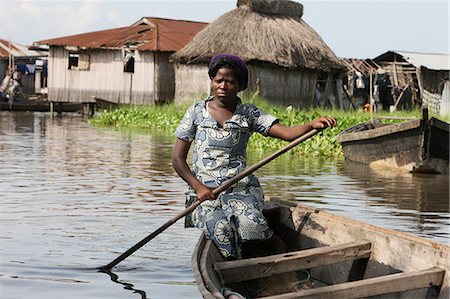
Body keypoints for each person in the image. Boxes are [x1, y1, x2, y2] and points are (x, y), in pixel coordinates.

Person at [172, 54, 336, 260]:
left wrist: (311, 125)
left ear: (240, 86)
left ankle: (272, 242)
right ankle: (235, 266)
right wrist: (199, 187)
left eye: (230, 82)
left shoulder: (249, 113)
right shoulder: (196, 111)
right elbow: (178, 159)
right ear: (212, 81)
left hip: (241, 190)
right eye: (218, 80)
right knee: (222, 231)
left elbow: (286, 133)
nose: (223, 86)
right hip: (206, 194)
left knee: (252, 228)